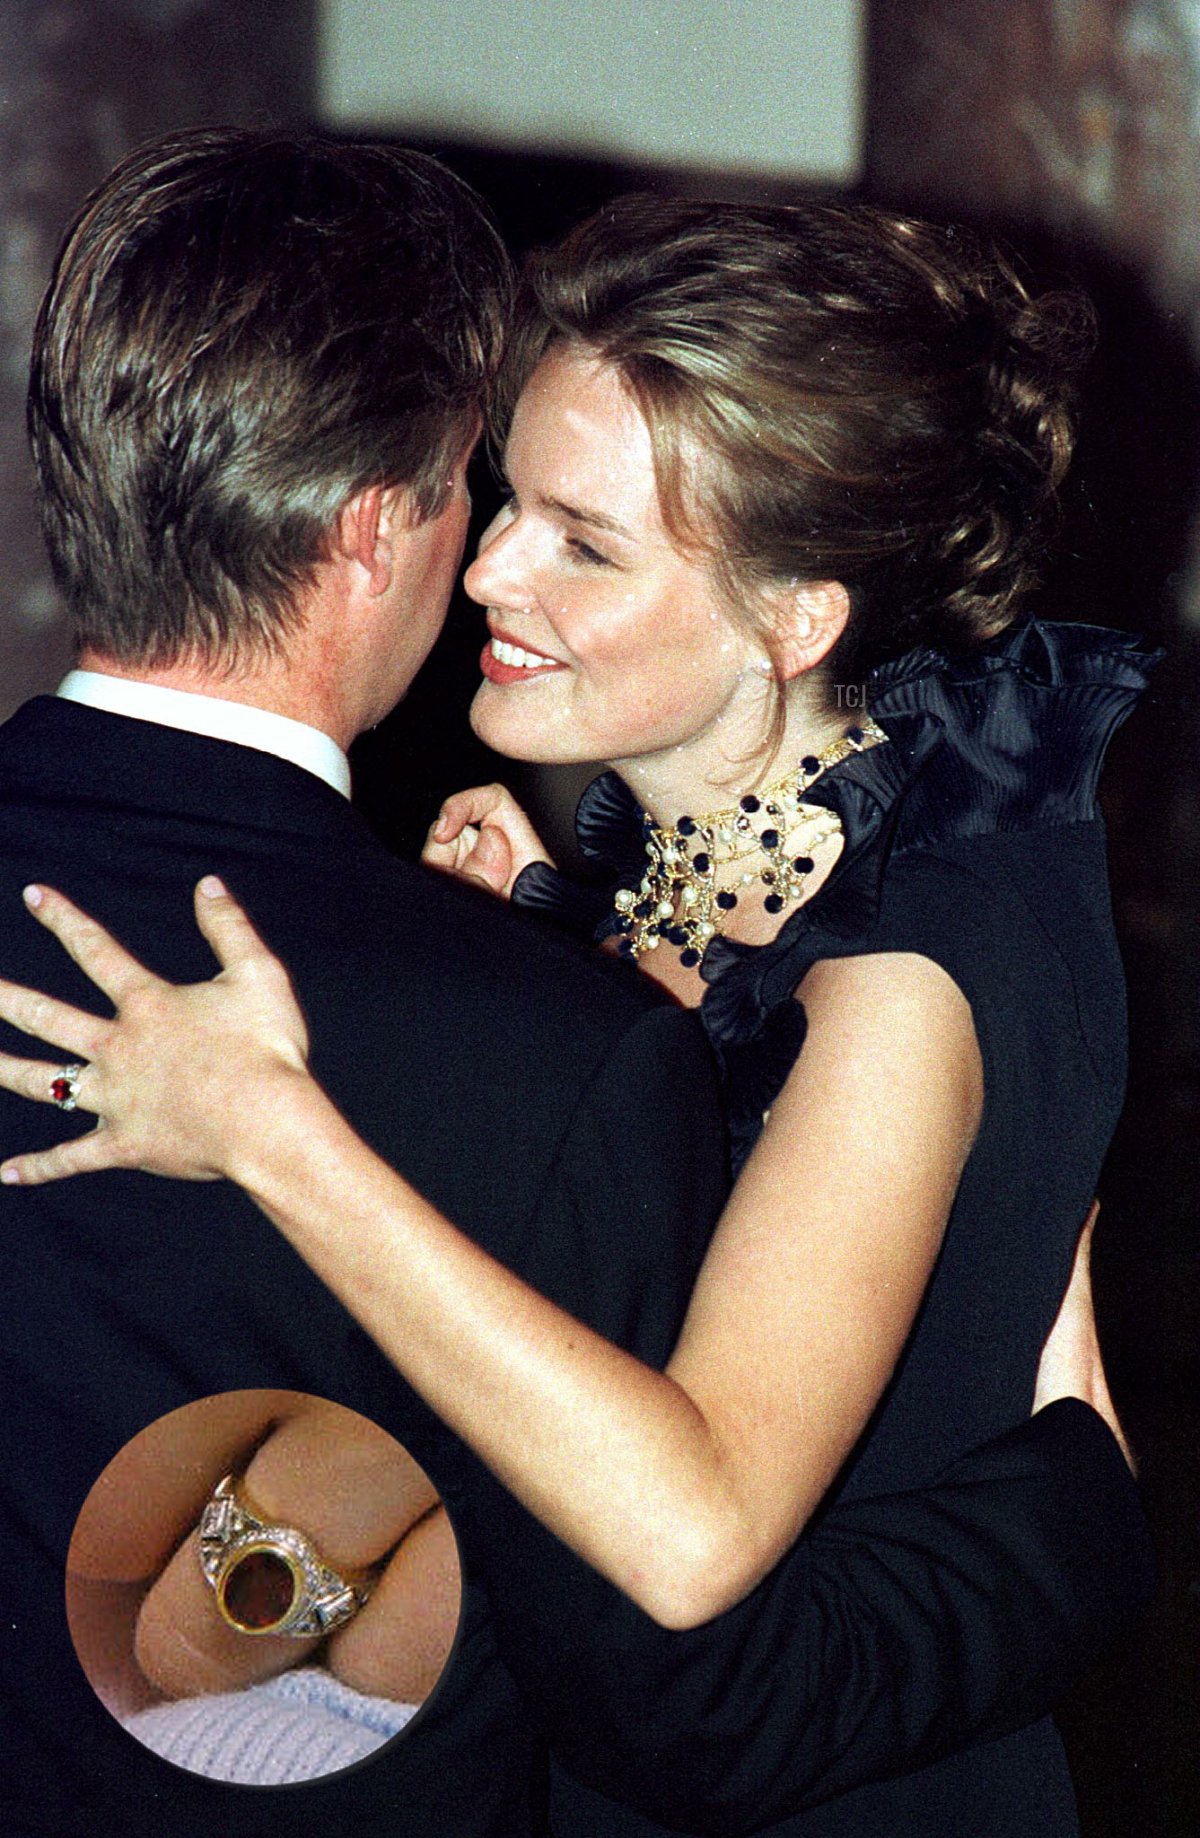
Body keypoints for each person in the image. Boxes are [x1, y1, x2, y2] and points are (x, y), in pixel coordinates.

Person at [0, 175, 1154, 1838]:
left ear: (794, 619)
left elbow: (689, 1535)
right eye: (503, 495)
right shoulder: (640, 863)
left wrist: (273, 1131)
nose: (486, 570)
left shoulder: (902, 976)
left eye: (584, 542)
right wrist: (549, 931)